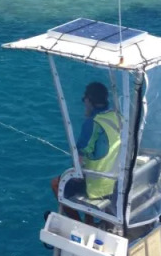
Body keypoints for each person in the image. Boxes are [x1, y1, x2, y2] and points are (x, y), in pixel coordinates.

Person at [50, 81, 121, 222]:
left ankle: (78, 222)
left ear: (89, 100)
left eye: (84, 100)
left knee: (56, 183)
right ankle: (89, 221)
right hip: (117, 181)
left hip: (98, 185)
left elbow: (79, 160)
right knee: (86, 173)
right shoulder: (117, 116)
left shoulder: (92, 123)